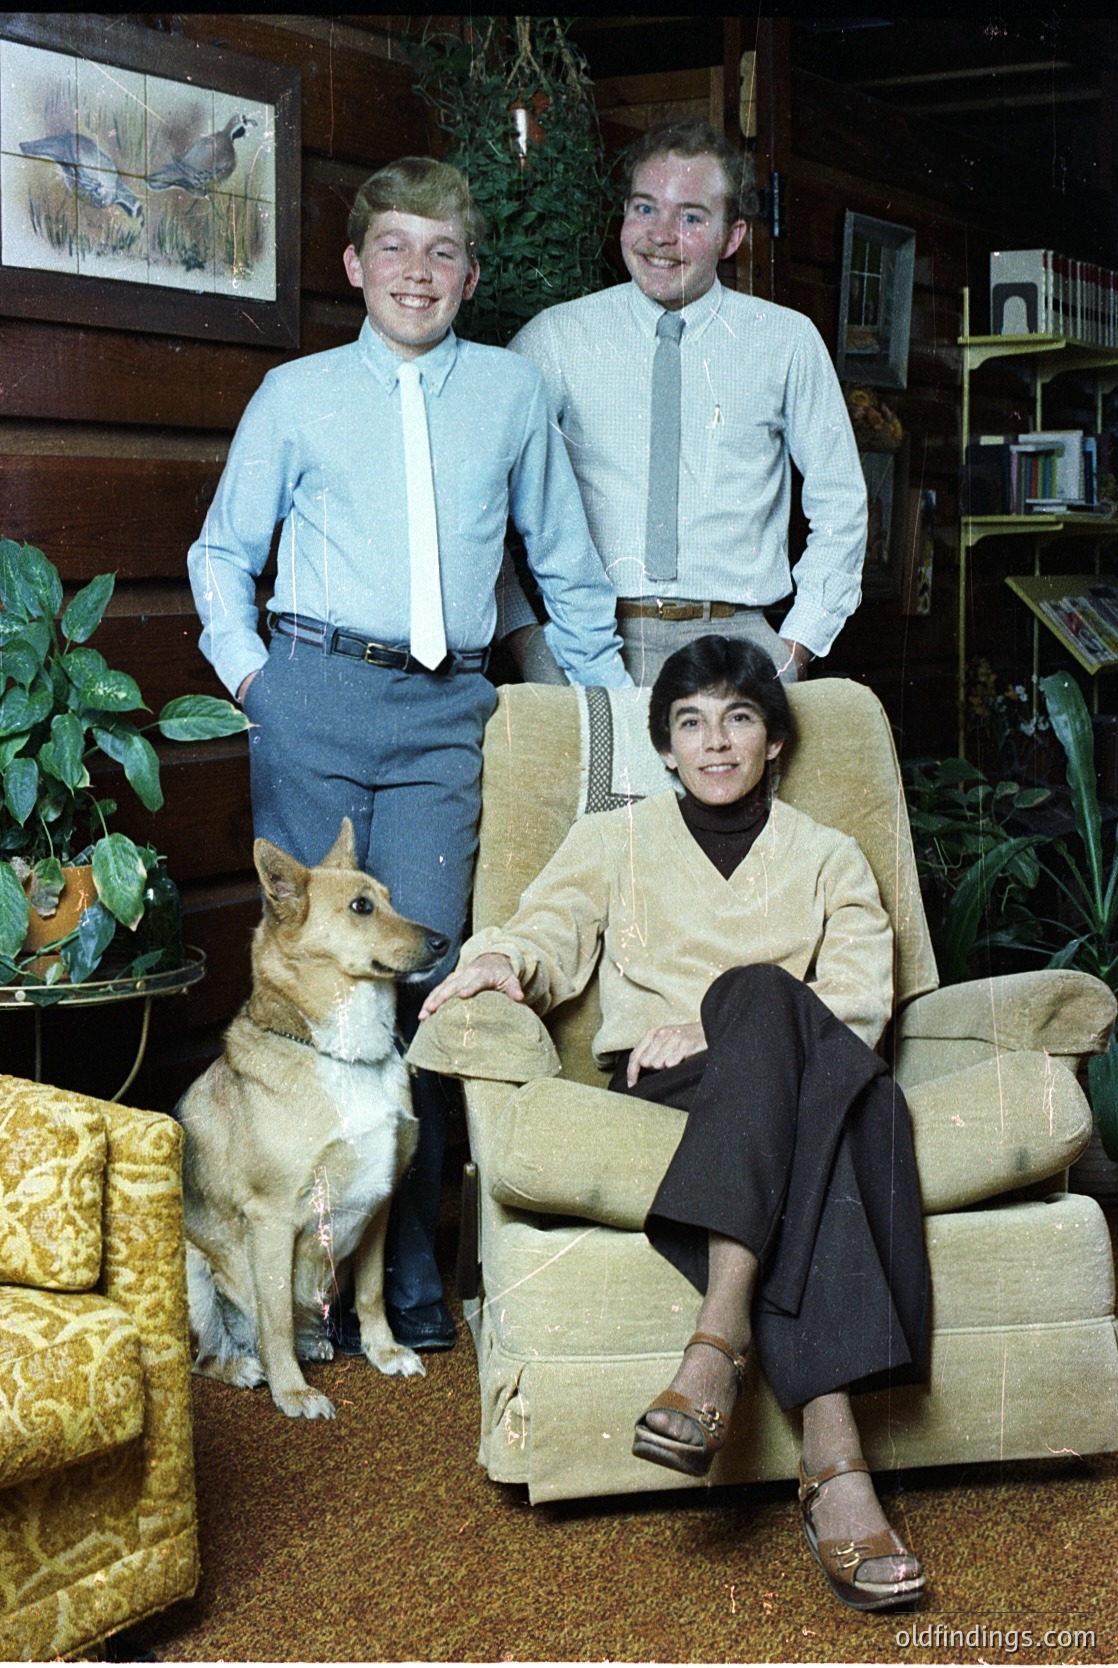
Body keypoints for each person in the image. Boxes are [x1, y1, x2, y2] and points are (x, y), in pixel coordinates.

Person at [187, 157, 629, 1355]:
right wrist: (254, 681)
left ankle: (412, 1264)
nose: (417, 272)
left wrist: (615, 723)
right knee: (323, 977)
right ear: (353, 264)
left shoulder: (509, 394)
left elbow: (566, 571)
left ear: (470, 274)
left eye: (441, 252)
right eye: (393, 246)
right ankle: (317, 1277)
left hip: (447, 711)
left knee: (425, 979)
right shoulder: (294, 394)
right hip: (314, 693)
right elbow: (220, 554)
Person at [420, 635, 929, 1612]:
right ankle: (838, 1474)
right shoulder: (613, 841)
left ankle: (717, 1350)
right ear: (662, 746)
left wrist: (716, 1020)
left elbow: (858, 1006)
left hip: (808, 1075)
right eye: (690, 722)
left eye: (739, 718)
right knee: (780, 1036)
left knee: (768, 1003)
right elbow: (546, 931)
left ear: (773, 740)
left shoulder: (829, 857)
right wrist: (502, 963)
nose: (716, 742)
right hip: (669, 1091)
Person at [499, 117, 867, 687]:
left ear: (733, 237)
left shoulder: (786, 341)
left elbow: (841, 504)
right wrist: (525, 640)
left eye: (691, 217)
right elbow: (478, 497)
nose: (660, 235)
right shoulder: (555, 339)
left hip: (737, 648)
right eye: (645, 208)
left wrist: (794, 651)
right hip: (589, 644)